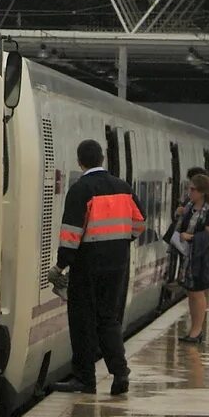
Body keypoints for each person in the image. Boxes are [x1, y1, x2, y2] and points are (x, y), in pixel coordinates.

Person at [57, 137, 145, 395]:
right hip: (117, 264)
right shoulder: (123, 187)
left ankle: (85, 378)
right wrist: (120, 242)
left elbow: (71, 234)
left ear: (80, 161)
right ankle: (120, 374)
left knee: (83, 320)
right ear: (102, 159)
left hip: (87, 265)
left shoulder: (81, 189)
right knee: (108, 319)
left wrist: (61, 265)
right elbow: (139, 224)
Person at [173, 170, 209, 345]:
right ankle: (193, 329)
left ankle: (197, 331)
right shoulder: (188, 207)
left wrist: (191, 237)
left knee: (198, 293)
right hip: (188, 256)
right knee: (191, 294)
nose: (189, 192)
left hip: (201, 258)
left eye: (192, 189)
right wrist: (179, 214)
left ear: (202, 192)